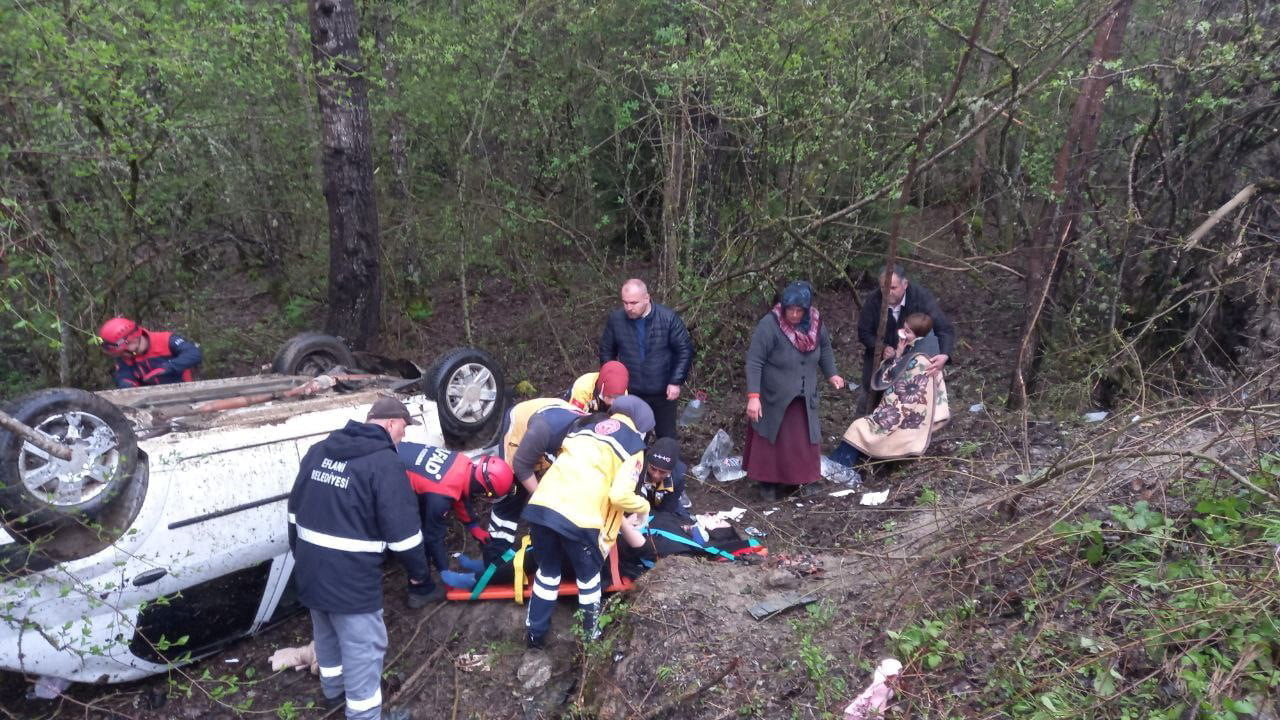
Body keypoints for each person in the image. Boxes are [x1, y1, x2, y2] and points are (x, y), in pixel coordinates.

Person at [287, 396, 428, 720]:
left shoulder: (319, 450)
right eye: (404, 429)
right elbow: (404, 535)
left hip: (311, 569)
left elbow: (293, 512)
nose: (403, 437)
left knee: (327, 637)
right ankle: (364, 714)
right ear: (392, 423)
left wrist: (302, 556)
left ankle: (333, 694)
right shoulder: (384, 464)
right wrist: (420, 575)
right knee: (364, 650)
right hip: (351, 582)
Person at [521, 395, 654, 649]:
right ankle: (589, 640)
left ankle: (534, 637)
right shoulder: (633, 445)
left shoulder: (583, 426)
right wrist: (644, 508)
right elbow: (620, 495)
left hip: (542, 506)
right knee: (589, 580)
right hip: (580, 517)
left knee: (547, 574)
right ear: (642, 428)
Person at [744, 281, 844, 500]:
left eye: (800, 311)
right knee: (772, 441)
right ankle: (768, 484)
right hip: (773, 396)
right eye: (791, 310)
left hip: (804, 395)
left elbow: (825, 348)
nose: (795, 315)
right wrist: (754, 397)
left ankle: (803, 479)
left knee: (804, 441)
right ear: (784, 306)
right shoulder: (769, 325)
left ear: (807, 310)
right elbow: (754, 361)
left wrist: (832, 374)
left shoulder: (816, 324)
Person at [830, 313, 951, 483]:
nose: (902, 333)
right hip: (896, 409)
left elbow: (897, 385)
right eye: (904, 328)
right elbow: (894, 376)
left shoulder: (921, 359)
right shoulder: (912, 352)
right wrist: (899, 354)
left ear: (917, 335)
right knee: (860, 426)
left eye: (907, 332)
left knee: (858, 427)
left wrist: (897, 358)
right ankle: (841, 466)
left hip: (902, 415)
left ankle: (838, 469)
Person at [398, 443, 515, 604]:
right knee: (415, 536)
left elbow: (459, 492)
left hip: (399, 458)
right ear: (484, 490)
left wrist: (473, 526)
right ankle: (419, 591)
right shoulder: (439, 498)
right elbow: (433, 536)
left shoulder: (461, 462)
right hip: (385, 480)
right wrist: (444, 569)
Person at [598, 279, 694, 439]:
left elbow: (685, 350)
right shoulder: (616, 320)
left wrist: (675, 381)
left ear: (647, 298)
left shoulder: (668, 318)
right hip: (631, 391)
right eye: (625, 302)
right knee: (631, 437)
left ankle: (666, 463)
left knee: (666, 436)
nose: (629, 307)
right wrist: (613, 385)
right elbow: (606, 352)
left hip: (663, 391)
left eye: (634, 303)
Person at [856, 264, 955, 414]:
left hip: (912, 365)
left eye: (893, 288)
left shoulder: (921, 298)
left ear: (905, 284)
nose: (888, 292)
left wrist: (945, 355)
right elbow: (864, 332)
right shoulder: (873, 300)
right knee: (868, 401)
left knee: (909, 408)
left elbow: (943, 329)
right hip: (879, 362)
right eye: (884, 287)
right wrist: (882, 348)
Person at [97, 316, 203, 389]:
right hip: (150, 400)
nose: (122, 355)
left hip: (183, 392)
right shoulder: (124, 357)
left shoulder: (166, 340)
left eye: (122, 351)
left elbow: (194, 353)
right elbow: (124, 375)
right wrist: (127, 385)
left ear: (132, 340)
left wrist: (168, 367)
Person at [637, 437, 691, 521]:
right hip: (638, 503)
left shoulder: (678, 477)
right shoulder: (637, 466)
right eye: (653, 469)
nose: (656, 475)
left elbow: (667, 509)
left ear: (670, 470)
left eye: (662, 472)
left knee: (684, 520)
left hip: (663, 503)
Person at [566, 360, 630, 413]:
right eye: (610, 396)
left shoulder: (623, 392)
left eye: (617, 398)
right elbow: (575, 417)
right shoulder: (582, 389)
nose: (613, 402)